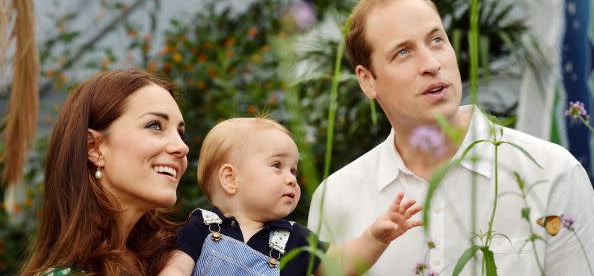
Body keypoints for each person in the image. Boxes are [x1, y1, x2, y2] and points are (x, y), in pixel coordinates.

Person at [307, 0, 594, 275]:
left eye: (436, 40)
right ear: (368, 81)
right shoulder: (336, 198)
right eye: (403, 52)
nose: (432, 64)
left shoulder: (552, 173)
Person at [159, 117, 423, 276]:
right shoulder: (202, 227)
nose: (291, 178)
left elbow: (341, 264)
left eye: (294, 170)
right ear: (231, 178)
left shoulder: (294, 238)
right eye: (277, 166)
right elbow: (176, 268)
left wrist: (375, 238)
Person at [20, 69, 190, 275]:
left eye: (180, 133)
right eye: (155, 125)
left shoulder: (184, 257)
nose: (182, 147)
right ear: (94, 147)